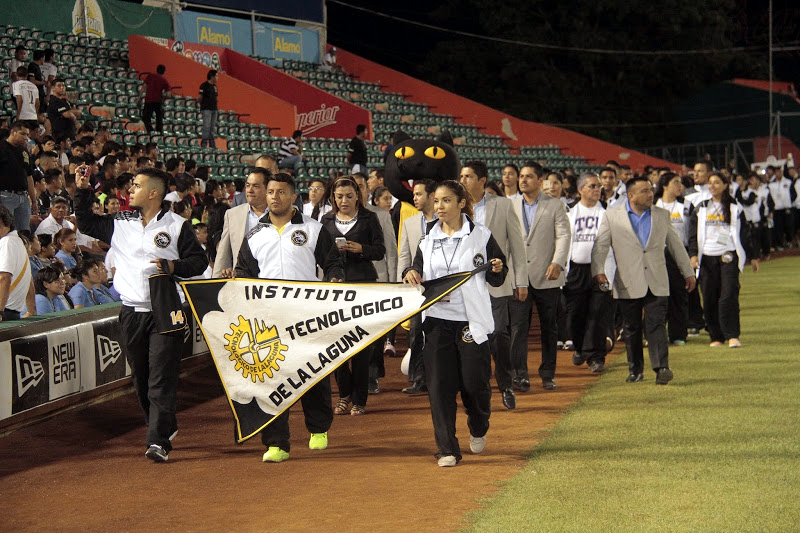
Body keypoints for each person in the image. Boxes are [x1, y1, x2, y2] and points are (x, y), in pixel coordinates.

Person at [75, 167, 208, 462]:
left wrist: (174, 268)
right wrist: (82, 190)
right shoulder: (119, 222)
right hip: (131, 313)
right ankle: (164, 424)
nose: (130, 190)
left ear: (153, 193)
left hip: (166, 311)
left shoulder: (177, 225)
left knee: (161, 377)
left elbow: (199, 260)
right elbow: (85, 222)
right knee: (142, 377)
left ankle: (157, 440)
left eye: (136, 186)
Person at [234, 172, 343, 463]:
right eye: (270, 192)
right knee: (270, 379)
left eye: (281, 192)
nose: (274, 197)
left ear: (294, 197)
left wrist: (334, 278)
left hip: (308, 315)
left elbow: (332, 263)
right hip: (268, 320)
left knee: (313, 372)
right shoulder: (255, 234)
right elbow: (244, 272)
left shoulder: (315, 229)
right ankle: (276, 443)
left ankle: (318, 428)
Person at [402, 180, 507, 467]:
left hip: (470, 322)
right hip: (436, 322)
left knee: (475, 384)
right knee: (439, 387)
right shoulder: (427, 239)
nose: (439, 207)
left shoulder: (481, 236)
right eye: (436, 201)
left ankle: (478, 424)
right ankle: (446, 448)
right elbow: (415, 269)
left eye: (446, 201)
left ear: (462, 203)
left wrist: (498, 267)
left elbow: (498, 275)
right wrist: (410, 272)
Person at [591, 177, 696, 384]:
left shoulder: (662, 215)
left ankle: (661, 368)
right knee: (631, 328)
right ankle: (635, 370)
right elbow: (601, 245)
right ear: (631, 196)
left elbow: (675, 245)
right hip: (627, 280)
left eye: (650, 190)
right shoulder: (612, 217)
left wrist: (688, 272)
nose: (650, 194)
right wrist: (598, 270)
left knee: (656, 324)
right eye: (644, 191)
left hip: (657, 279)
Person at [460, 161, 528, 410]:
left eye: (468, 176)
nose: (463, 180)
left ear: (482, 181)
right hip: (466, 287)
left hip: (497, 283)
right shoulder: (455, 208)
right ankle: (478, 391)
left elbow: (517, 245)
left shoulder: (503, 205)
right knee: (472, 340)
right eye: (461, 176)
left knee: (499, 334)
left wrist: (521, 280)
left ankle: (506, 384)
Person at [320, 176, 386, 416]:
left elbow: (380, 250)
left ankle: (360, 399)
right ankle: (343, 395)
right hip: (334, 289)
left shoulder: (370, 218)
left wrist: (362, 249)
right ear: (333, 198)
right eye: (339, 197)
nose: (344, 201)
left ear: (358, 195)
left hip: (364, 287)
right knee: (336, 346)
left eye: (349, 196)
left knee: (360, 347)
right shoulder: (325, 220)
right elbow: (320, 254)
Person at [509, 162, 571, 391]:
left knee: (549, 327)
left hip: (548, 275)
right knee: (517, 328)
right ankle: (519, 375)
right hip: (519, 277)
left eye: (529, 176)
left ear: (540, 180)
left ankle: (548, 374)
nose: (523, 180)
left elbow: (564, 235)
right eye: (521, 176)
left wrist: (558, 262)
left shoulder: (555, 205)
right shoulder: (510, 205)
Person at [688, 172, 759, 348]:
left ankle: (732, 335)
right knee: (709, 296)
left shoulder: (735, 207)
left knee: (728, 295)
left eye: (717, 183)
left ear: (725, 185)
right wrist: (693, 254)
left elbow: (744, 233)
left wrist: (753, 256)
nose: (712, 186)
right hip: (707, 257)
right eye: (710, 183)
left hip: (728, 255)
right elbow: (692, 234)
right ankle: (716, 336)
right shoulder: (701, 207)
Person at [563, 173, 614, 373]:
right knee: (575, 314)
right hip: (576, 269)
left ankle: (595, 357)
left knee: (598, 313)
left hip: (600, 270)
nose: (597, 189)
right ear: (580, 189)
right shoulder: (569, 213)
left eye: (598, 186)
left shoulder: (608, 213)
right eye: (592, 186)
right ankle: (580, 346)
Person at [397, 179, 437, 395]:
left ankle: (441, 378)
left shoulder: (446, 221)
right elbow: (404, 255)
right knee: (415, 333)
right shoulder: (410, 222)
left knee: (438, 334)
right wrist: (402, 279)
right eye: (414, 194)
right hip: (415, 289)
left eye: (419, 194)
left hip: (441, 286)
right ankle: (418, 379)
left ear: (432, 196)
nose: (415, 198)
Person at [655, 172, 694, 345]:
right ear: (664, 185)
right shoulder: (654, 206)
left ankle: (678, 334)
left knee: (679, 294)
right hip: (657, 254)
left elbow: (692, 232)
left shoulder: (686, 205)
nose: (680, 186)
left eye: (680, 182)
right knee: (657, 296)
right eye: (675, 182)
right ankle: (655, 334)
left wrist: (691, 254)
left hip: (679, 253)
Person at [212, 168, 271, 278]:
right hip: (242, 282)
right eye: (248, 185)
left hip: (272, 282)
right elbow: (223, 255)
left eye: (256, 186)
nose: (249, 190)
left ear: (268, 189)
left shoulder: (280, 214)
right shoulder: (233, 214)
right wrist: (215, 286)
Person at [0, 205, 36, 322]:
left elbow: (4, 278)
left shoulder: (7, 243)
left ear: (7, 225)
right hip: (10, 312)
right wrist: (31, 310)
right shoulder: (18, 241)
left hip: (4, 312)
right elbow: (29, 279)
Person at [0, 121, 36, 235]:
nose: (26, 137)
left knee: (24, 232)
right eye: (23, 134)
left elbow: (29, 176)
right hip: (5, 196)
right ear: (13, 132)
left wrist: (34, 200)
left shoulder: (24, 151)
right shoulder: (1, 148)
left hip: (23, 197)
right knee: (6, 230)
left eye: (27, 135)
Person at [140, 65, 171, 134]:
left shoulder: (150, 76)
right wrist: (163, 97)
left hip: (148, 100)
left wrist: (139, 98)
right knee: (159, 118)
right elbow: (168, 94)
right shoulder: (164, 80)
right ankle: (159, 132)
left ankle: (149, 131)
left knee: (146, 118)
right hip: (158, 101)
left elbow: (143, 87)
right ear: (163, 72)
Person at [198, 70, 218, 148]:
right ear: (212, 77)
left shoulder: (215, 87)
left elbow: (216, 97)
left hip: (214, 109)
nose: (217, 78)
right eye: (216, 76)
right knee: (206, 127)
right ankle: (204, 144)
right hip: (207, 109)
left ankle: (212, 144)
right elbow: (200, 97)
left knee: (212, 128)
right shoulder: (204, 85)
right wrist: (202, 106)